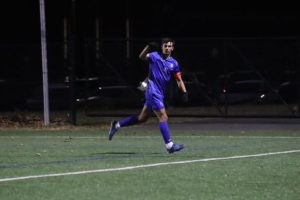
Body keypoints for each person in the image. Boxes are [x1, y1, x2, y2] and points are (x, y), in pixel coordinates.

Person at [108, 37, 188, 153]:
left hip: (160, 92)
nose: (167, 48)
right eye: (165, 46)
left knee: (142, 118)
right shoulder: (155, 56)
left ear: (172, 48)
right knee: (163, 116)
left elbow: (179, 80)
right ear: (162, 47)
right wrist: (148, 47)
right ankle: (169, 146)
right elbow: (141, 57)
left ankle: (116, 125)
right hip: (152, 90)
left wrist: (184, 92)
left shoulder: (174, 63)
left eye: (169, 46)